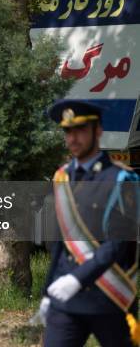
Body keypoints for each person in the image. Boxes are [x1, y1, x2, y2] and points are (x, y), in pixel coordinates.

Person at [39, 100, 139, 347]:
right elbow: (61, 245)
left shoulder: (121, 179)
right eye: (68, 131)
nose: (73, 138)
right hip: (66, 301)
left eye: (81, 130)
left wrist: (77, 280)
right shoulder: (62, 177)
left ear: (98, 131)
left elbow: (118, 245)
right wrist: (47, 292)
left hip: (109, 297)